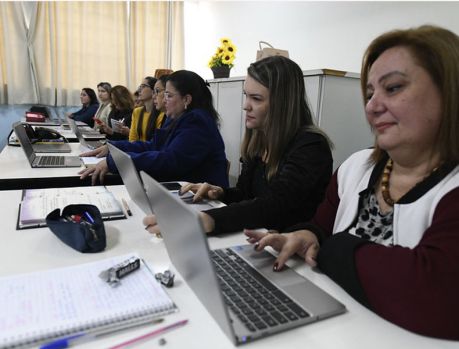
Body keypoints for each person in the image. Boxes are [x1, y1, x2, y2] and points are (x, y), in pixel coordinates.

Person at [243, 25, 459, 340]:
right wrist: (304, 235)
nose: (372, 105)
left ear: (449, 92)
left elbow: (434, 295)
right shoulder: (355, 168)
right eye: (369, 93)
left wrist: (332, 248)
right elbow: (321, 227)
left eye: (394, 87)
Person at [145, 56, 333, 235]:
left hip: (288, 253)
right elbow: (246, 194)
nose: (246, 105)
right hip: (258, 239)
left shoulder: (311, 146)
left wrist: (207, 219)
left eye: (256, 98)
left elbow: (275, 205)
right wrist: (220, 193)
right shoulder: (259, 140)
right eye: (246, 96)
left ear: (283, 103)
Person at [78, 70, 229, 188]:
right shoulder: (177, 117)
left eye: (168, 95)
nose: (163, 100)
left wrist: (116, 162)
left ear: (186, 100)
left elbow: (169, 161)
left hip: (204, 200)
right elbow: (154, 146)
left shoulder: (197, 121)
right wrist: (113, 148)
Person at [129, 76, 162, 142]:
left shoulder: (161, 114)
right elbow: (132, 138)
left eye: (143, 86)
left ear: (153, 90)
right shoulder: (137, 111)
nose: (139, 90)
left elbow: (156, 143)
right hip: (137, 149)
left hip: (150, 150)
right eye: (140, 87)